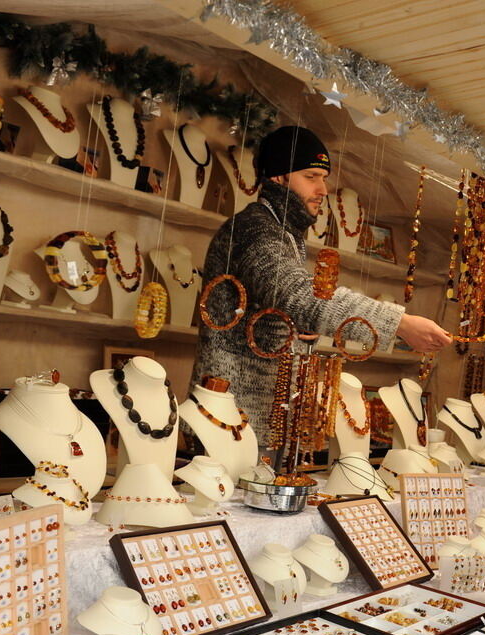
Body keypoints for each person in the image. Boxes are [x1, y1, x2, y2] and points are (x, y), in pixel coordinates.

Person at [193, 126, 451, 445]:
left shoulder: (284, 232)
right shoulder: (255, 229)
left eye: (324, 177)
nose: (322, 189)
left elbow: (278, 306)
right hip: (227, 421)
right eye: (311, 176)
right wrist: (400, 323)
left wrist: (294, 330)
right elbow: (300, 296)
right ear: (278, 177)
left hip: (252, 420)